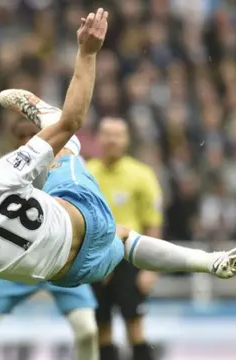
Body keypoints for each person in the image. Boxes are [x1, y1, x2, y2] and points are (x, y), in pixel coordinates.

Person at [0, 8, 236, 360]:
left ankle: (215, 262)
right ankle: (214, 261)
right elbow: (74, 119)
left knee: (126, 239)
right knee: (67, 142)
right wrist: (87, 53)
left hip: (78, 271)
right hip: (84, 216)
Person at [0, 120, 99, 360]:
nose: (30, 141)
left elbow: (88, 212)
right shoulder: (1, 171)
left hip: (63, 259)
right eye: (23, 136)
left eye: (34, 135)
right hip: (17, 260)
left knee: (87, 331)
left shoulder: (71, 164)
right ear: (16, 141)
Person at [87, 118, 163, 360]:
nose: (112, 140)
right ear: (99, 138)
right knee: (101, 328)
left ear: (127, 140)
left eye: (118, 135)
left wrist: (151, 268)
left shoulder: (142, 175)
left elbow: (153, 223)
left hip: (129, 259)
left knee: (134, 325)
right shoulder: (87, 174)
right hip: (95, 259)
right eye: (107, 134)